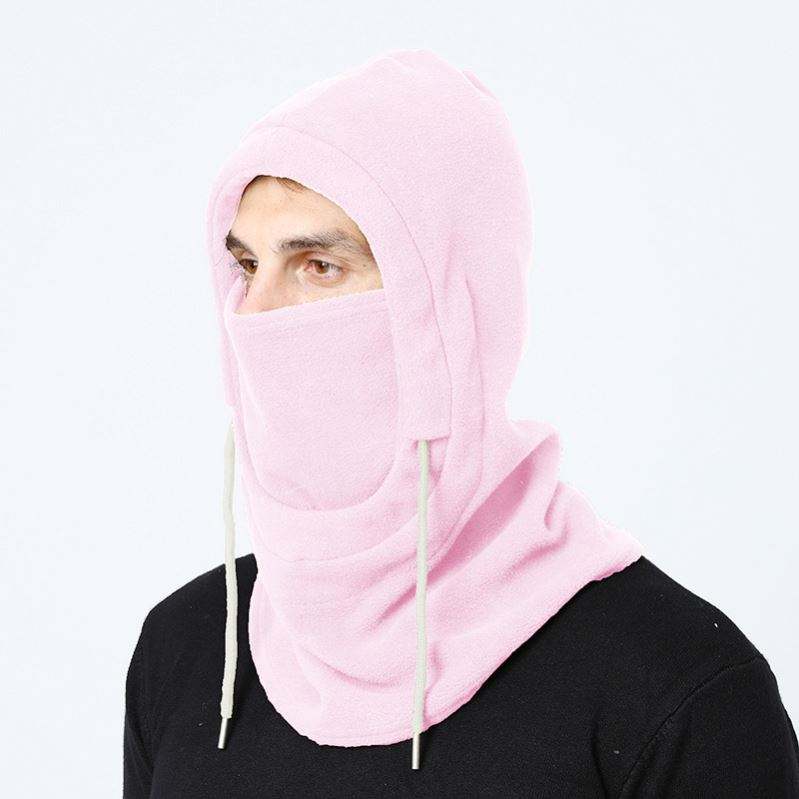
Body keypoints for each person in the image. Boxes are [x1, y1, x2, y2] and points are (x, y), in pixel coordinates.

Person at [122, 48, 799, 798]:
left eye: (319, 265)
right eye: (248, 266)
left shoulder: (675, 687)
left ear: (458, 302)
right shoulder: (184, 648)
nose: (254, 317)